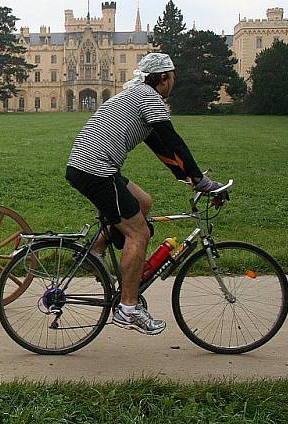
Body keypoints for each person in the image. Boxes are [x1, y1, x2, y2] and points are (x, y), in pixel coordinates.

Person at [65, 53, 226, 334]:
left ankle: (97, 251)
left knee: (143, 202)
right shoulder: (150, 98)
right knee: (139, 233)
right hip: (95, 169)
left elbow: (162, 147)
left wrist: (187, 177)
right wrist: (201, 181)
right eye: (172, 77)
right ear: (163, 78)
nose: (173, 82)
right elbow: (173, 140)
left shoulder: (137, 96)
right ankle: (128, 308)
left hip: (89, 165)